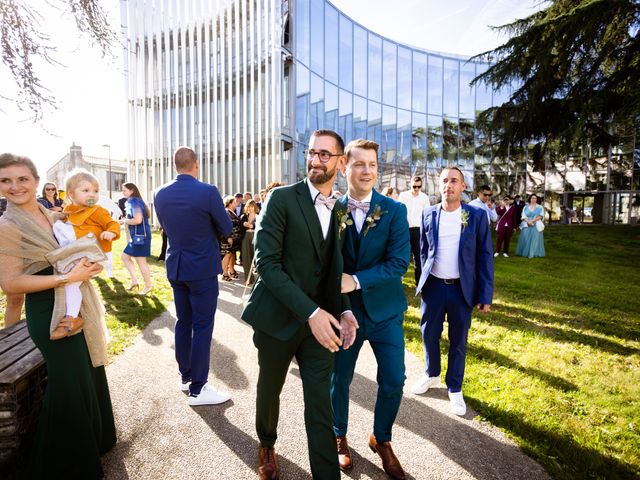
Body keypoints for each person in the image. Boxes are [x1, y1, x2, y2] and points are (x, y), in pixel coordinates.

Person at [241, 130, 357, 480]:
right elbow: (267, 265)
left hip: (321, 325)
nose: (315, 160)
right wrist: (311, 313)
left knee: (320, 403)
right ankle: (266, 444)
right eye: (312, 152)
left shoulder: (339, 209)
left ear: (340, 162)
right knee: (269, 388)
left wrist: (346, 309)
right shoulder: (281, 199)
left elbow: (336, 267)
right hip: (279, 318)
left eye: (325, 155)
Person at [0, 153, 115, 478]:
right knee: (67, 384)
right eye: (5, 180)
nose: (14, 186)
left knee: (87, 373)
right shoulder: (6, 226)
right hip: (49, 311)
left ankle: (96, 441)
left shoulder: (48, 213)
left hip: (75, 303)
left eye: (22, 178)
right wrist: (68, 278)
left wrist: (86, 267)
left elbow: (69, 254)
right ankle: (64, 465)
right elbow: (10, 284)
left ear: (36, 181)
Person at [331, 139, 410, 479]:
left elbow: (399, 263)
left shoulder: (394, 210)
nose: (366, 171)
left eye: (372, 165)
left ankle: (381, 438)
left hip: (386, 311)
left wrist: (356, 280)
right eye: (359, 164)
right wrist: (342, 294)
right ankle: (339, 436)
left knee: (394, 379)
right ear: (344, 167)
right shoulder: (331, 210)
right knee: (340, 379)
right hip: (345, 313)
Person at [411, 167, 494, 416]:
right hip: (434, 287)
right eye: (444, 181)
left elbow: (485, 256)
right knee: (428, 335)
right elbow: (424, 251)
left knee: (458, 342)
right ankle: (431, 373)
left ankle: (455, 388)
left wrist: (485, 294)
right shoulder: (428, 213)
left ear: (463, 186)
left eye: (454, 181)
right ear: (439, 185)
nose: (449, 185)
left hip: (461, 290)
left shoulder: (477, 216)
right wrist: (424, 280)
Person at [154, 146, 232, 405]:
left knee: (183, 322)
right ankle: (199, 388)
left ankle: (186, 377)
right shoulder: (207, 192)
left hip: (176, 265)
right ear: (195, 164)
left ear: (175, 165)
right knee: (202, 326)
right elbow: (226, 226)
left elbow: (166, 226)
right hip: (201, 268)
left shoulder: (159, 193)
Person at [50, 169, 120, 339]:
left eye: (96, 191)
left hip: (95, 254)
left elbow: (112, 223)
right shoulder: (68, 210)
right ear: (71, 194)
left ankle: (72, 317)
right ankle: (72, 314)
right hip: (78, 252)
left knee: (71, 283)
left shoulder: (97, 210)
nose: (93, 195)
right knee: (59, 226)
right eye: (86, 190)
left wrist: (111, 232)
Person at [120, 182, 153, 294]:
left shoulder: (134, 202)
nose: (122, 192)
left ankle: (148, 285)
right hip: (137, 236)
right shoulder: (133, 201)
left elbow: (137, 220)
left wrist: (124, 221)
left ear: (131, 191)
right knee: (125, 257)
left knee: (140, 261)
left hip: (140, 236)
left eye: (124, 190)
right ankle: (134, 281)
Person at [398, 176, 430, 285]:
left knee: (418, 258)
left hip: (418, 230)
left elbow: (427, 215)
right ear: (410, 185)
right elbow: (399, 211)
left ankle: (419, 284)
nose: (416, 189)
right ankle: (398, 282)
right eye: (414, 186)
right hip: (404, 230)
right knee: (402, 256)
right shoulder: (403, 196)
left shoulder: (424, 197)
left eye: (419, 187)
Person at [220, 195, 243, 281]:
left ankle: (231, 270)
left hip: (234, 240)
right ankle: (224, 273)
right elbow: (225, 226)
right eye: (234, 202)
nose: (236, 203)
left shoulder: (233, 212)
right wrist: (228, 237)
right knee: (227, 254)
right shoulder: (226, 212)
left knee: (232, 254)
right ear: (229, 203)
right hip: (228, 238)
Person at [516, 194, 546, 258]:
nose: (533, 199)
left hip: (536, 224)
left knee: (534, 239)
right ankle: (525, 253)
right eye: (532, 198)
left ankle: (532, 254)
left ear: (536, 199)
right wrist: (528, 221)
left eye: (535, 198)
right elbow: (523, 216)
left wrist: (532, 221)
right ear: (530, 199)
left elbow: (540, 216)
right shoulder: (526, 207)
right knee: (526, 239)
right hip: (527, 224)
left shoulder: (540, 207)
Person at [240, 199, 260, 286]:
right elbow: (240, 226)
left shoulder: (258, 216)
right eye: (249, 206)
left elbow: (261, 225)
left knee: (257, 257)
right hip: (245, 237)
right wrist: (243, 224)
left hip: (255, 237)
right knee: (246, 257)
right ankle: (248, 279)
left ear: (255, 207)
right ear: (247, 207)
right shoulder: (244, 216)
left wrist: (253, 225)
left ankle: (260, 278)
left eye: (252, 206)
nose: (251, 208)